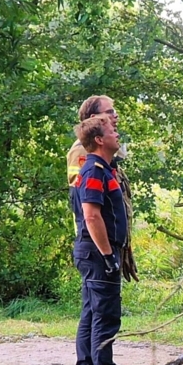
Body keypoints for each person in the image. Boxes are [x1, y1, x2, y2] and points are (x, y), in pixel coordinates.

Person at [71, 114, 132, 365]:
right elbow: (91, 215)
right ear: (99, 139)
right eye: (112, 131)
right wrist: (108, 255)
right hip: (97, 254)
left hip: (93, 253)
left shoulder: (102, 169)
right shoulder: (94, 171)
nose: (117, 135)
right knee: (105, 317)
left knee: (93, 315)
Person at [67, 95, 139, 283]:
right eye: (109, 112)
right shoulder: (83, 153)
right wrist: (103, 248)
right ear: (93, 118)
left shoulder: (106, 155)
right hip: (96, 243)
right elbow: (86, 206)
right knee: (101, 306)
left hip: (108, 239)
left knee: (102, 304)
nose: (115, 116)